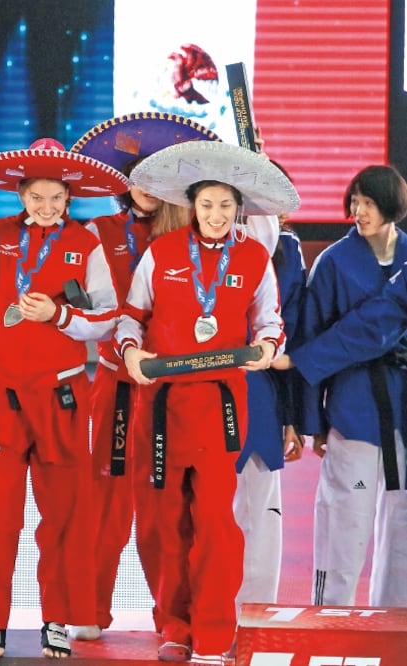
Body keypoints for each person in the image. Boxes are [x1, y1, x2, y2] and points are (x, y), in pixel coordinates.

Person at [114, 140, 298, 663]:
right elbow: (131, 318)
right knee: (167, 521)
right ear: (191, 206)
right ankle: (174, 625)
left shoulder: (254, 256)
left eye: (224, 205)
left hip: (222, 406)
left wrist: (267, 347)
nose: (215, 215)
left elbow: (270, 321)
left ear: (238, 208)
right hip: (164, 408)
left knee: (217, 523)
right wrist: (130, 353)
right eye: (206, 205)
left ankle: (214, 636)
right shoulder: (163, 252)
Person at [0, 140, 123, 659]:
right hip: (0, 392)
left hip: (64, 393)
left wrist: (60, 316)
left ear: (69, 198)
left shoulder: (85, 244)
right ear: (21, 195)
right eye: (37, 196)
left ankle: (56, 620)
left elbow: (107, 317)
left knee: (64, 515)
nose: (46, 207)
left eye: (56, 198)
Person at [71, 112, 219, 636]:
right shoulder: (98, 231)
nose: (145, 187)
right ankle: (88, 611)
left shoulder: (194, 236)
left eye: (157, 176)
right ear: (123, 181)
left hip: (174, 389)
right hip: (114, 383)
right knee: (105, 496)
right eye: (137, 176)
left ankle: (173, 616)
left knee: (165, 507)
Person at [278, 165, 407, 608]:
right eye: (354, 201)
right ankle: (330, 618)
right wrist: (311, 420)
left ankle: (397, 625)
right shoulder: (334, 260)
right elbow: (311, 335)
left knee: (403, 523)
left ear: (391, 205)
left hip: (403, 403)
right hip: (354, 404)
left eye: (369, 202)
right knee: (345, 520)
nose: (358, 211)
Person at [232, 169, 308, 617]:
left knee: (260, 507)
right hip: (205, 387)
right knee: (204, 506)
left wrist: (294, 417)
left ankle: (256, 615)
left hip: (262, 390)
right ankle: (202, 617)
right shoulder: (202, 242)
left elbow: (294, 333)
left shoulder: (289, 253)